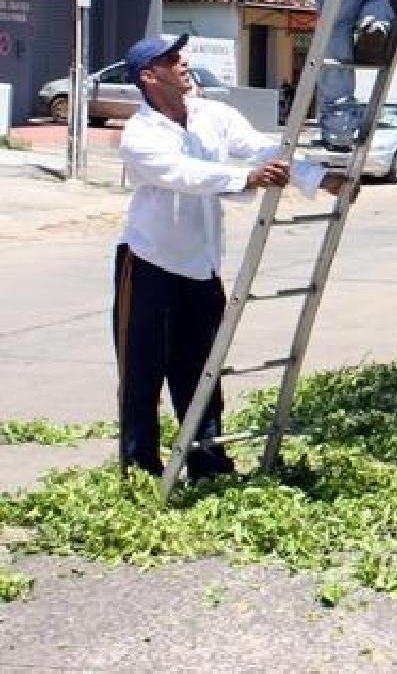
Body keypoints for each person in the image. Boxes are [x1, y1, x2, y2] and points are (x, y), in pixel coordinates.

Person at [114, 34, 348, 481]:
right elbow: (184, 174)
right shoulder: (140, 135)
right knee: (142, 375)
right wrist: (247, 177)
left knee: (203, 369)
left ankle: (207, 464)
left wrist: (318, 178)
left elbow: (263, 150)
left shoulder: (212, 115)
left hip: (202, 267)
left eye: (180, 55)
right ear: (149, 76)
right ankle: (140, 470)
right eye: (170, 59)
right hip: (149, 265)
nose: (183, 62)